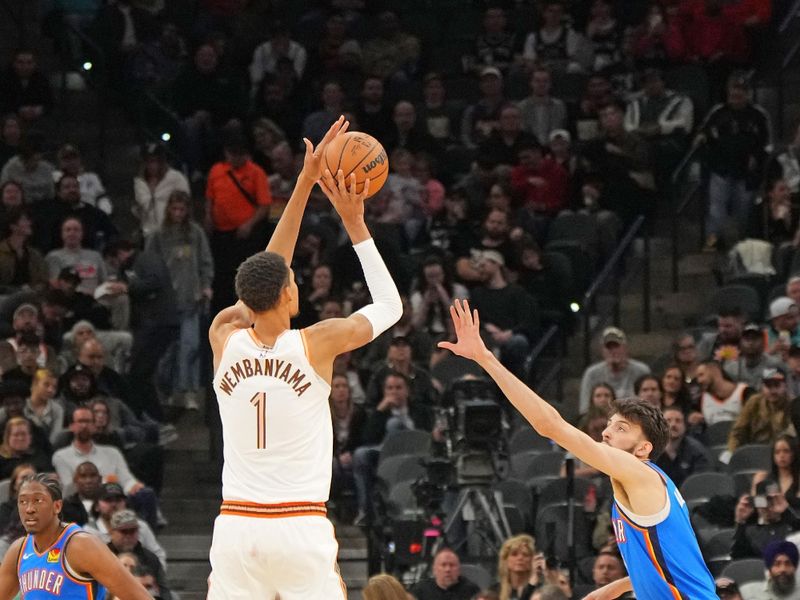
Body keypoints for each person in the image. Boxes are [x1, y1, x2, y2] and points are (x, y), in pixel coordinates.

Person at [207, 116, 402, 598]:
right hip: (298, 526)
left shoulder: (223, 335)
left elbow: (268, 272)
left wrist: (304, 181)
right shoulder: (317, 343)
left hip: (235, 528)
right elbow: (390, 307)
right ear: (291, 297)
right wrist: (355, 225)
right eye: (292, 283)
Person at [439, 299, 718, 598]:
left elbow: (550, 426)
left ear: (642, 449)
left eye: (621, 428)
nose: (607, 432)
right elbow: (668, 565)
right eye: (609, 423)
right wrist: (603, 593)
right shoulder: (644, 487)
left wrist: (485, 359)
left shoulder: (640, 474)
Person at [0, 473, 151, 599]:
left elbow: (140, 597)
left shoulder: (81, 545)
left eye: (38, 501)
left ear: (57, 506)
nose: (29, 509)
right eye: (23, 502)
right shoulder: (18, 550)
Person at [579, 326, 650, 414]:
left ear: (625, 348)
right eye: (609, 347)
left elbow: (648, 405)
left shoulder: (641, 371)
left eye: (616, 346)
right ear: (602, 351)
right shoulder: (592, 374)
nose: (613, 351)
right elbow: (584, 409)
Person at [728, 367, 796, 452]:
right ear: (762, 387)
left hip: (783, 454)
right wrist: (732, 452)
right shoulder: (754, 403)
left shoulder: (794, 405)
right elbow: (738, 432)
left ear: (785, 386)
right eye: (768, 386)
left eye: (777, 385)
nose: (773, 391)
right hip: (755, 453)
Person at [655, 405, 712, 487]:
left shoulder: (697, 451)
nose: (673, 425)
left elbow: (702, 482)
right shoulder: (651, 451)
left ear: (685, 426)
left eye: (678, 421)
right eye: (668, 420)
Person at [411, 547, 480, 600]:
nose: (448, 569)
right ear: (434, 569)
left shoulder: (471, 590)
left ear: (459, 570)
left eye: (452, 565)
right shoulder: (421, 590)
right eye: (443, 565)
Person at [752, 435, 800, 511]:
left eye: (786, 451)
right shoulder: (762, 477)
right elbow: (757, 506)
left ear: (794, 453)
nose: (781, 456)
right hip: (769, 519)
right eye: (777, 452)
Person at [494, 534, 543, 600]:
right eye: (514, 554)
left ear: (532, 560)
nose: (520, 558)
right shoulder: (494, 591)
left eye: (525, 554)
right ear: (505, 560)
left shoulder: (543, 591)